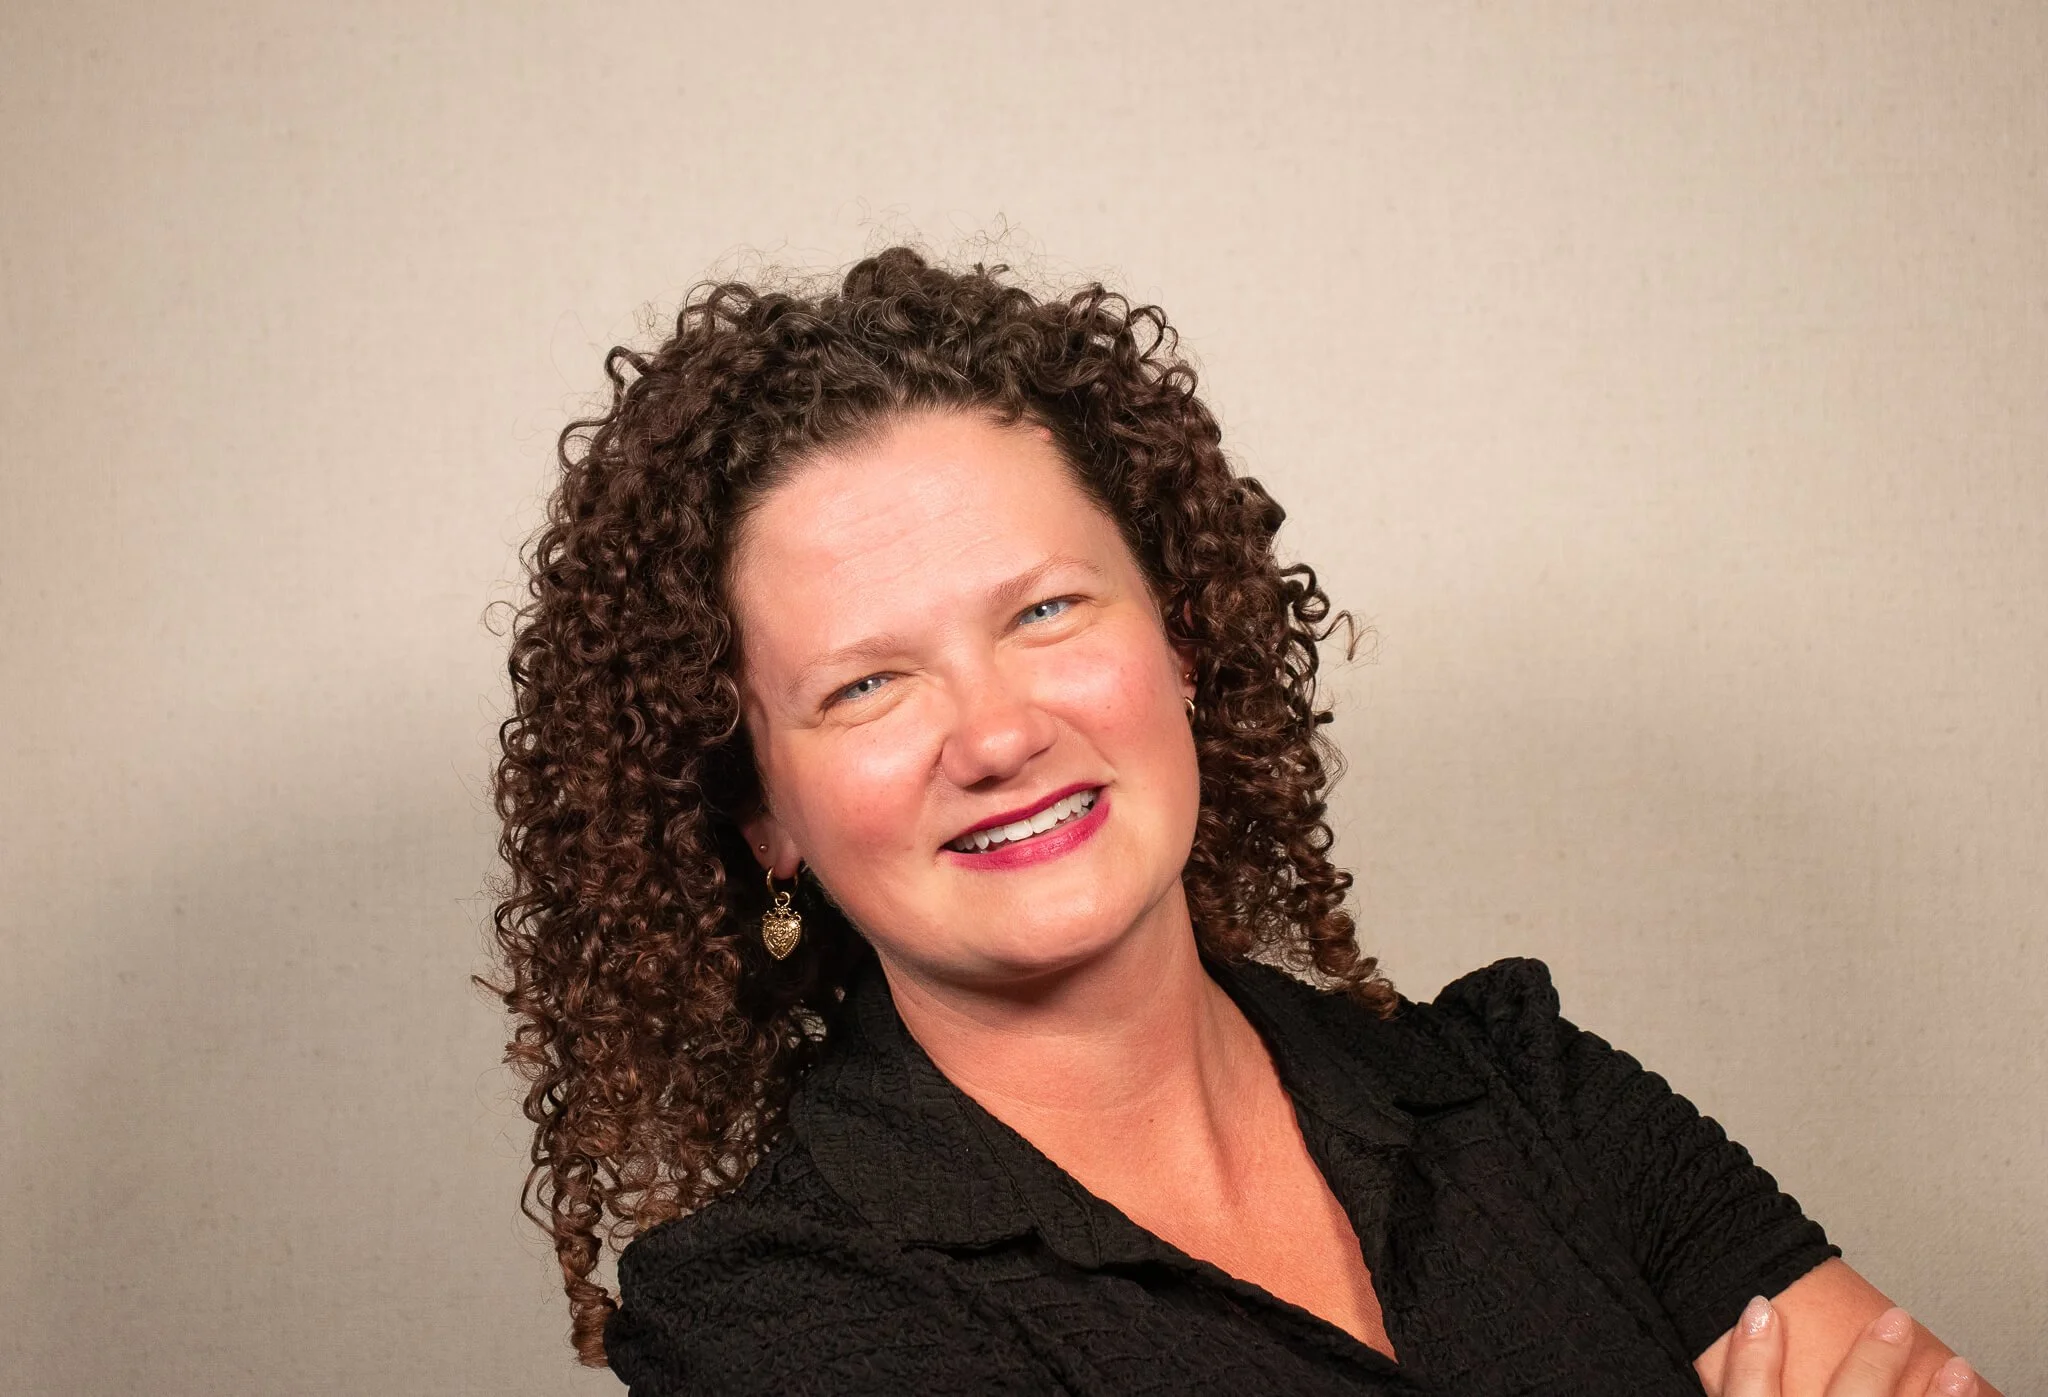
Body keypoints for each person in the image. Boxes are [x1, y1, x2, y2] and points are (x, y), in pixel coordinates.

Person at [490, 248, 1996, 1395]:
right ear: (762, 816)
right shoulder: (778, 1317)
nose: (1001, 732)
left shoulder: (1532, 1096)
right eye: (870, 684)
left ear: (1183, 641)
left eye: (1049, 609)